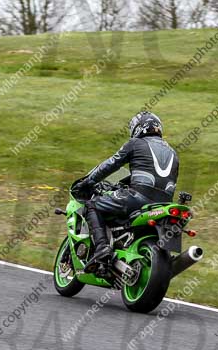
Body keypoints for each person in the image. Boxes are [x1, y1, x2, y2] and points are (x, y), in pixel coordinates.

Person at [76, 112, 179, 266]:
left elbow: (111, 164)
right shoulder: (173, 153)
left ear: (138, 128)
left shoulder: (134, 144)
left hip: (138, 197)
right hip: (165, 204)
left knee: (92, 205)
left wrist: (88, 181)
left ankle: (102, 248)